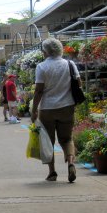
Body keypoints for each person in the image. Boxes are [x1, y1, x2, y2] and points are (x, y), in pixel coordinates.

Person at [31, 37, 80, 183]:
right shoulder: (70, 64)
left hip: (47, 108)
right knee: (67, 138)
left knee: (48, 141)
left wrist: (34, 110)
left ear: (45, 51)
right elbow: (78, 83)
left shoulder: (42, 67)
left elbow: (39, 91)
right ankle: (71, 162)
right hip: (67, 106)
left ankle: (52, 173)